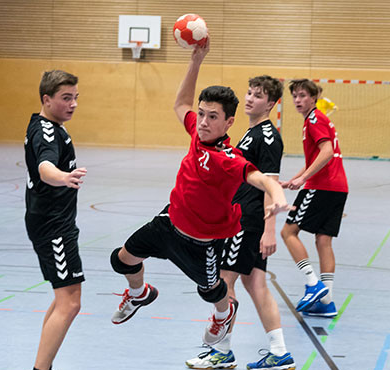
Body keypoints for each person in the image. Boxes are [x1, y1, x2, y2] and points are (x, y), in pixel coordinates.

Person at [109, 40, 292, 351]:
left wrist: (276, 196)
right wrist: (196, 61)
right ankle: (139, 293)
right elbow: (181, 104)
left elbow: (261, 178)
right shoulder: (196, 132)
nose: (204, 122)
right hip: (168, 223)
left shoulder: (230, 158)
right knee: (120, 260)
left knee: (211, 291)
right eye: (203, 114)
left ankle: (224, 314)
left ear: (228, 123)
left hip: (201, 241)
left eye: (212, 117)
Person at [185, 76, 295, 370]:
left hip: (246, 221)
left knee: (224, 283)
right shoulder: (251, 133)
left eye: (258, 96)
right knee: (255, 283)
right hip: (243, 218)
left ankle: (221, 350)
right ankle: (279, 352)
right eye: (249, 93)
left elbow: (269, 184)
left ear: (271, 104)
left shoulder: (267, 137)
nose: (250, 99)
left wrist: (269, 230)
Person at [18, 70, 87, 370]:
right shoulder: (46, 132)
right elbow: (45, 168)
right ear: (47, 99)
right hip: (52, 227)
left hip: (56, 223)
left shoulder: (51, 127)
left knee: (66, 299)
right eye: (65, 98)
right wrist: (64, 177)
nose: (73, 104)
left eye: (75, 97)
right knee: (70, 302)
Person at [280, 79, 348, 318]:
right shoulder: (317, 119)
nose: (298, 100)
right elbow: (314, 159)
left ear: (313, 97)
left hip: (322, 186)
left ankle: (313, 283)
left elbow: (327, 152)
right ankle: (327, 301)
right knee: (323, 241)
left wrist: (304, 179)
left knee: (288, 232)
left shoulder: (314, 119)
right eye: (295, 96)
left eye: (302, 96)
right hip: (338, 187)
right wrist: (295, 179)